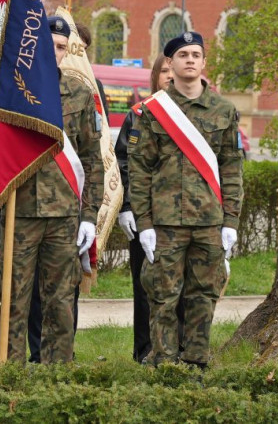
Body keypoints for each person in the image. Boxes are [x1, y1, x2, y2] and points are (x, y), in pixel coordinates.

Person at [0, 15, 103, 364]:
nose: (53, 52)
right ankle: (6, 379)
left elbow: (91, 159)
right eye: (46, 44)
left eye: (59, 47)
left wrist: (88, 216)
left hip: (63, 217)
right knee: (13, 300)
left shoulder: (80, 93)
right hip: (19, 213)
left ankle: (57, 382)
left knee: (59, 303)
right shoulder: (10, 93)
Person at [129, 31, 243, 367]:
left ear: (204, 62)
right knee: (163, 296)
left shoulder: (224, 110)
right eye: (183, 55)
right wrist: (145, 223)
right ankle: (163, 363)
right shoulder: (152, 112)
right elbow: (140, 171)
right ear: (171, 63)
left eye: (195, 54)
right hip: (165, 224)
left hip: (209, 223)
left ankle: (196, 362)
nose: (190, 60)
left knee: (203, 297)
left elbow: (233, 170)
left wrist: (231, 222)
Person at [115, 53, 185, 362]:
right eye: (165, 71)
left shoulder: (198, 115)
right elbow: (123, 162)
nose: (170, 76)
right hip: (146, 216)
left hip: (186, 217)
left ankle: (181, 349)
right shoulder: (138, 115)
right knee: (145, 286)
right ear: (155, 76)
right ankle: (145, 349)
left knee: (183, 286)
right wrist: (127, 207)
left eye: (175, 70)